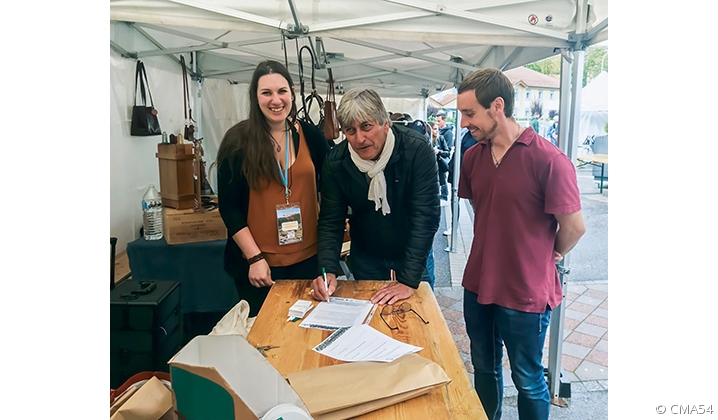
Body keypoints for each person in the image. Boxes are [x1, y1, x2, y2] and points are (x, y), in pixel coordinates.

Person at [456, 68, 586, 420]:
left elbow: (574, 227)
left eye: (470, 114)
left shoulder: (549, 159)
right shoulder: (472, 157)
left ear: (497, 106)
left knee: (528, 379)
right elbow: (482, 208)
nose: (465, 122)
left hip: (525, 290)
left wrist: (549, 252)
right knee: (484, 369)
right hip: (478, 283)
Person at [216, 60, 330, 317]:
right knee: (263, 337)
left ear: (291, 92)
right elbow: (229, 206)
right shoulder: (237, 142)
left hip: (308, 263)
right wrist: (254, 259)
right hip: (258, 267)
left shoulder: (312, 137)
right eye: (266, 93)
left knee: (304, 334)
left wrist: (327, 263)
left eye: (281, 91)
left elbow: (333, 194)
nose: (275, 100)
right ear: (255, 98)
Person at [310, 88, 440, 305]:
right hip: (367, 254)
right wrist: (327, 271)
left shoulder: (416, 149)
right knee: (371, 322)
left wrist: (408, 280)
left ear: (385, 123)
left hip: (413, 253)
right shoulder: (336, 162)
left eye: (366, 126)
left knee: (418, 320)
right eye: (350, 130)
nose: (360, 138)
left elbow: (425, 216)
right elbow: (330, 221)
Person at [443, 127, 478, 236]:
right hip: (458, 169)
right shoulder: (463, 132)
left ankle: (478, 228)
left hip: (470, 171)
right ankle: (454, 226)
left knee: (474, 201)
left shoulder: (478, 136)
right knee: (455, 198)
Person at [429, 121, 451, 202]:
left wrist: (439, 152)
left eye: (437, 129)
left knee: (442, 180)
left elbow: (447, 152)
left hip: (439, 164)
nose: (437, 131)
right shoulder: (427, 140)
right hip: (430, 166)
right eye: (434, 129)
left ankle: (444, 195)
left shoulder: (440, 138)